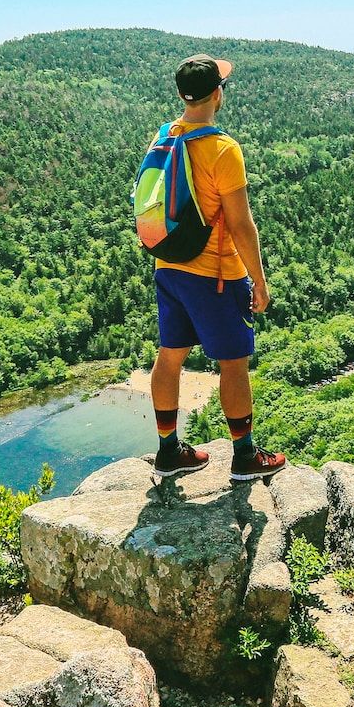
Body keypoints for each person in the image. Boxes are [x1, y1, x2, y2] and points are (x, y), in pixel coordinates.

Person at [148, 54, 287, 481]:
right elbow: (242, 225)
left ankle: (169, 452)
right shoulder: (223, 149)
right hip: (216, 276)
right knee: (233, 363)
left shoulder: (166, 135)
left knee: (170, 356)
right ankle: (244, 456)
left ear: (181, 95)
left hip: (168, 266)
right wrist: (259, 282)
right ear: (217, 94)